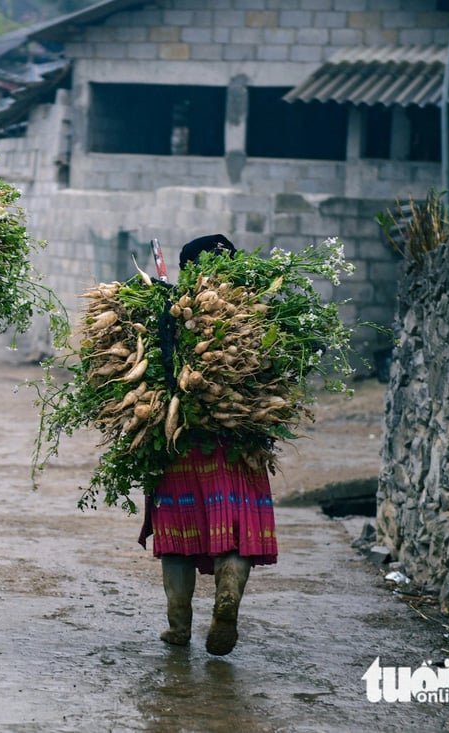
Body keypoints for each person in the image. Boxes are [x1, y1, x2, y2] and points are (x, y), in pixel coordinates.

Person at [137, 233, 278, 656]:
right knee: (234, 533)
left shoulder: (170, 309)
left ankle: (179, 626)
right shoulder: (261, 314)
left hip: (179, 440)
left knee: (178, 536)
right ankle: (228, 593)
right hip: (239, 443)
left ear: (188, 268)